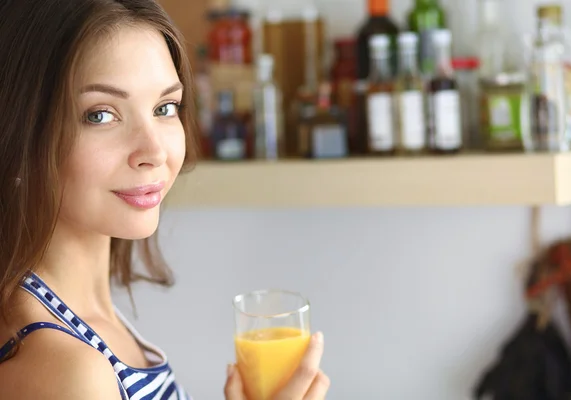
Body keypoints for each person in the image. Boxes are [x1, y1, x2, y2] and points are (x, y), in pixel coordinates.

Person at [0, 1, 330, 399]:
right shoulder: (68, 372)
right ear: (18, 132)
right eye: (101, 115)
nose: (154, 150)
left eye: (164, 107)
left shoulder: (78, 318)